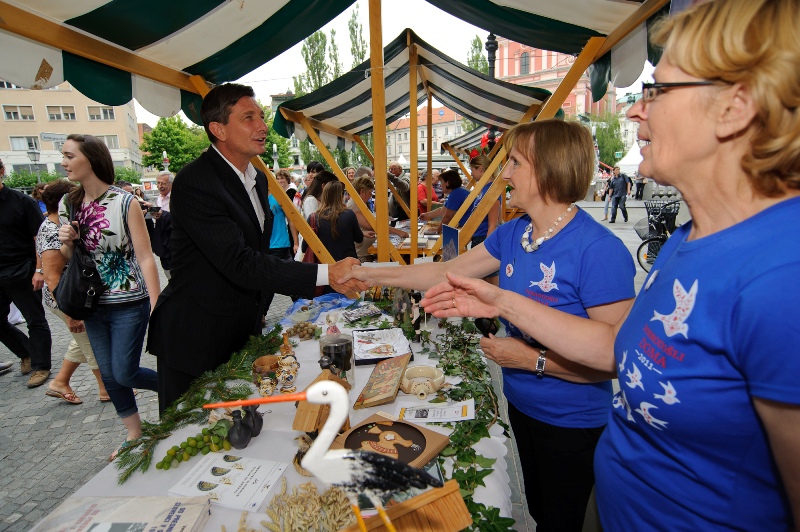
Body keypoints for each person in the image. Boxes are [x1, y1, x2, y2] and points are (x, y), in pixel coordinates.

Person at [419, 1, 800, 529]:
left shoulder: (782, 276)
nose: (635, 110)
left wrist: (525, 349)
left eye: (658, 91)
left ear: (735, 107)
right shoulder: (689, 239)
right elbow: (616, 349)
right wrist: (502, 301)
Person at [341, 119, 635, 531]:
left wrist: (532, 361)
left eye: (515, 163)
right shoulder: (515, 233)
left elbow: (616, 361)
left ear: (548, 169)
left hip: (573, 422)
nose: (505, 174)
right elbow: (443, 272)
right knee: (540, 512)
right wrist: (368, 273)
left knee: (564, 521)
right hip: (522, 404)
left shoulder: (600, 250)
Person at [146, 83, 364, 414]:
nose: (262, 126)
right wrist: (326, 273)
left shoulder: (257, 178)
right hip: (196, 337)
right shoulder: (196, 181)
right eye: (249, 118)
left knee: (240, 425)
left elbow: (256, 254)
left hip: (240, 330)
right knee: (190, 430)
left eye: (261, 116)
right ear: (218, 129)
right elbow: (240, 262)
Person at [57, 134, 160, 459]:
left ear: (91, 159)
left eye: (70, 156)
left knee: (125, 371)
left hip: (129, 300)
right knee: (109, 373)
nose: (64, 162)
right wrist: (67, 240)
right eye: (64, 156)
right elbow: (68, 255)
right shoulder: (69, 203)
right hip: (91, 302)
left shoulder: (125, 202)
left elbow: (145, 256)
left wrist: (157, 303)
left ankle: (176, 384)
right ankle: (134, 432)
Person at [36, 180, 108, 404]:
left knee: (80, 340)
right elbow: (52, 277)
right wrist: (71, 314)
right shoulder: (52, 230)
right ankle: (107, 389)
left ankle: (60, 382)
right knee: (90, 342)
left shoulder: (58, 225)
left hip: (71, 297)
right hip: (66, 300)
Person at [0, 157, 52, 388]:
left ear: (2, 171)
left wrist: (39, 270)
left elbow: (39, 239)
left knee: (34, 319)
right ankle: (26, 352)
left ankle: (41, 366)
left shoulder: (22, 202)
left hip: (23, 269)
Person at [302, 181, 363, 271]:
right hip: (348, 267)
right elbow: (359, 238)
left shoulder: (313, 218)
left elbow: (304, 248)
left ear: (324, 196)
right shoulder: (349, 214)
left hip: (324, 270)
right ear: (341, 196)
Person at [347, 176, 407, 262]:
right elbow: (371, 225)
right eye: (370, 192)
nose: (371, 195)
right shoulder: (354, 205)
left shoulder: (359, 203)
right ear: (362, 191)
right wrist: (397, 231)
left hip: (367, 250)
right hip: (362, 254)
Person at [464, 155, 501, 247]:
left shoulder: (491, 190)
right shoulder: (485, 189)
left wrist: (487, 247)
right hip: (479, 236)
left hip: (483, 238)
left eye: (472, 170)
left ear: (480, 169)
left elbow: (493, 224)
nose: (471, 174)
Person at [151, 171, 173, 279]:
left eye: (163, 183)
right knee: (167, 271)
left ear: (170, 184)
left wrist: (163, 214)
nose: (160, 186)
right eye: (158, 183)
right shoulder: (158, 198)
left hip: (173, 242)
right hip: (161, 242)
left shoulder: (176, 198)